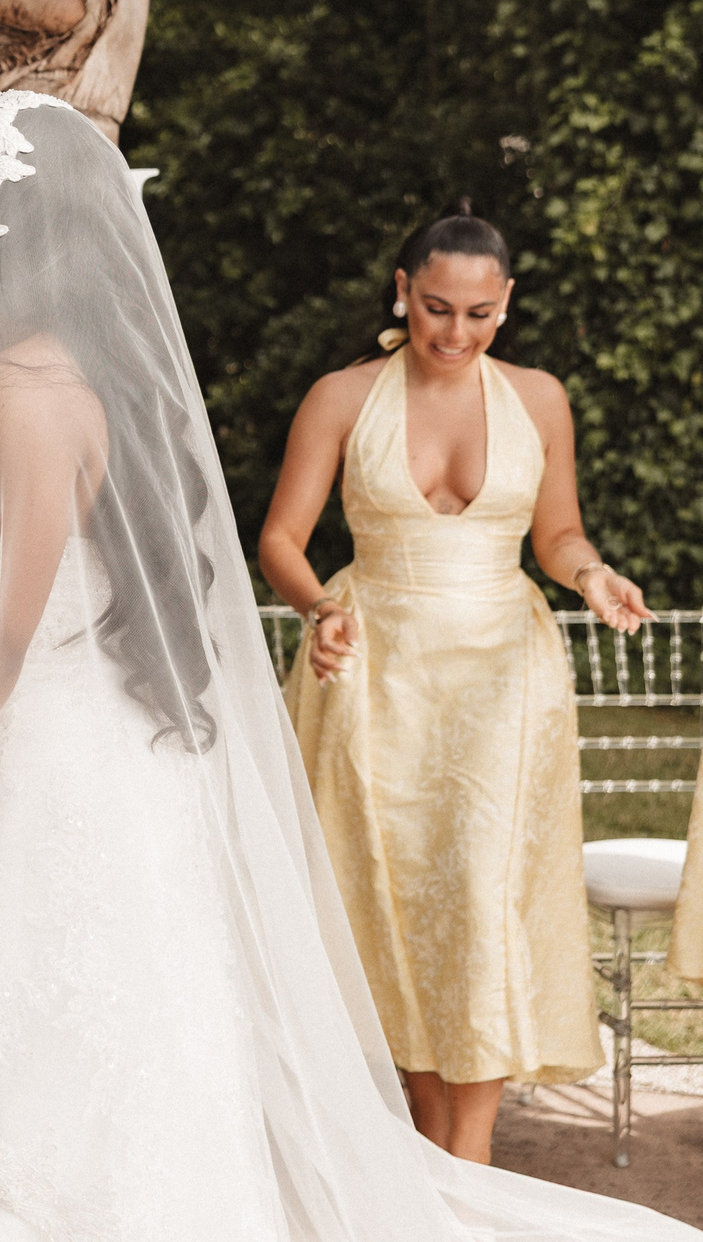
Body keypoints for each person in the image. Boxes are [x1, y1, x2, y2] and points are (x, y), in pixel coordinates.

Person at [0, 95, 693, 1241]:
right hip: (106, 767)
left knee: (41, 1105)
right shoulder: (98, 377)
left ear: (7, 223)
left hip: (45, 790)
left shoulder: (26, 390)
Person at [261, 206, 649, 1164]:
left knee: (479, 899)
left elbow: (556, 533)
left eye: (479, 314)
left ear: (506, 304)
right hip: (371, 672)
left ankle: (465, 1165)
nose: (455, 333)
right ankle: (423, 1145)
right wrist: (319, 612)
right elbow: (280, 540)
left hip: (502, 682)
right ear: (403, 291)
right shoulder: (343, 397)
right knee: (381, 901)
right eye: (436, 308)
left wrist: (592, 573)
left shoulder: (539, 399)